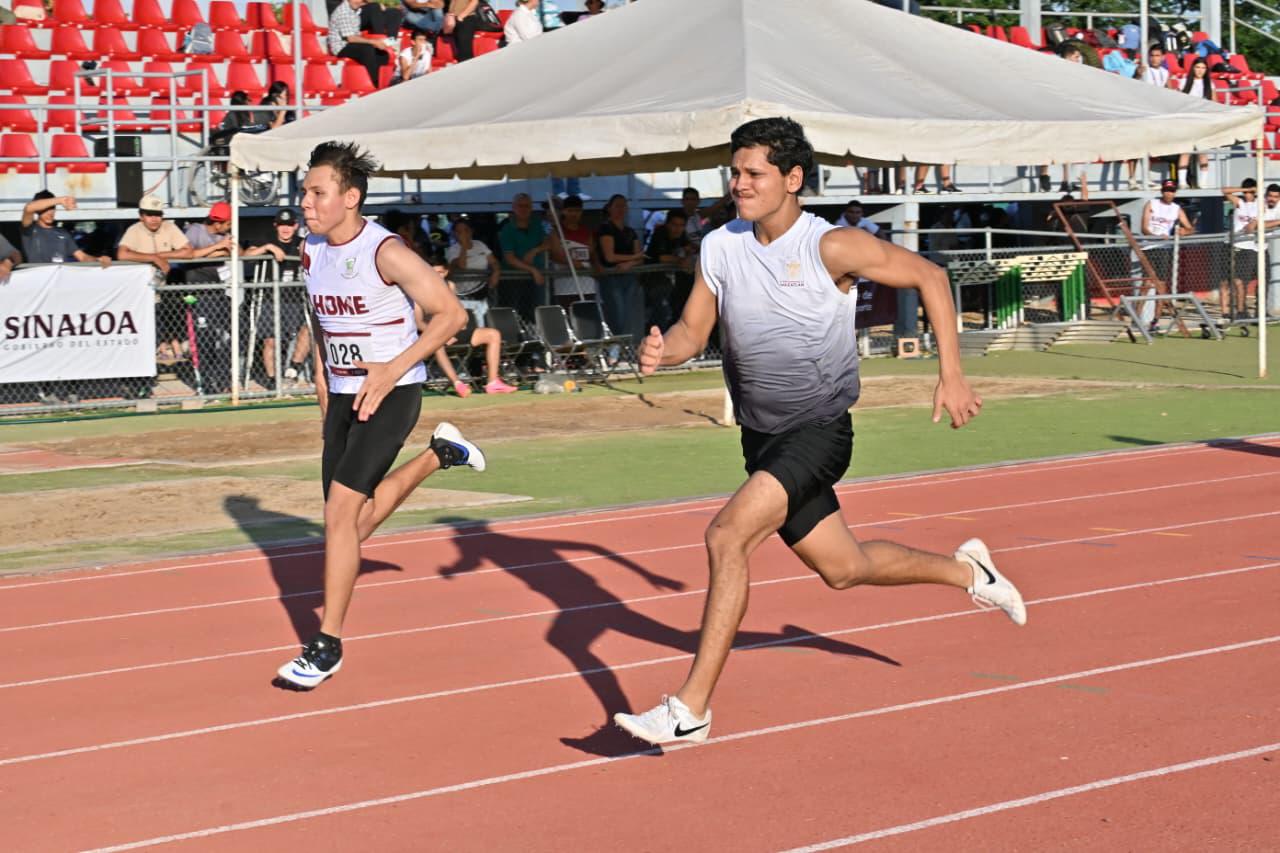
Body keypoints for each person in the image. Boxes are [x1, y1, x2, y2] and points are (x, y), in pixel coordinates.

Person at [613, 117, 1025, 746]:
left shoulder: (831, 247)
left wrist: (951, 375)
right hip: (761, 437)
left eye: (754, 174)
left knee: (727, 537)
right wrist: (660, 352)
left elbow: (931, 277)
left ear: (792, 178)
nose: (739, 184)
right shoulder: (720, 246)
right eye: (735, 172)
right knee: (845, 568)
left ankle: (690, 710)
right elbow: (693, 332)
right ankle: (970, 573)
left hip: (819, 430)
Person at [274, 141, 486, 690]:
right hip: (344, 394)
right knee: (353, 523)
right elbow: (321, 320)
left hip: (393, 393)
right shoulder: (312, 250)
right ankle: (440, 455)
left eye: (317, 192)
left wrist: (392, 369)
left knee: (340, 517)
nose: (306, 202)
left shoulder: (384, 252)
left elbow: (451, 315)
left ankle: (326, 644)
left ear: (351, 197)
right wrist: (322, 380)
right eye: (304, 191)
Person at [422, 255, 517, 396]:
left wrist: (461, 322)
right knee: (438, 345)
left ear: (446, 272)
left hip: (453, 331)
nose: (437, 276)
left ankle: (492, 382)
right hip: (433, 334)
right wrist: (443, 335)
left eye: (440, 273)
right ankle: (457, 384)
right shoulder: (419, 289)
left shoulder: (450, 286)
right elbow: (418, 320)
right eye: (433, 273)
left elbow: (457, 310)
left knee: (493, 334)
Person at [117, 194, 194, 363]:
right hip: (142, 294)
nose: (154, 219)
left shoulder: (169, 228)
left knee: (167, 325)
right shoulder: (134, 230)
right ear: (141, 216)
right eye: (149, 214)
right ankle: (144, 371)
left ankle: (170, 352)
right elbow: (122, 253)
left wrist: (158, 256)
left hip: (166, 293)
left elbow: (188, 251)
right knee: (144, 334)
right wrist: (153, 258)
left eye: (158, 214)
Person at [244, 209, 309, 388]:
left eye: (289, 225)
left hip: (294, 300)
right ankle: (273, 380)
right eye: (282, 225)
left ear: (296, 225)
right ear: (276, 226)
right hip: (269, 300)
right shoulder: (266, 239)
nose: (286, 229)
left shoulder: (302, 243)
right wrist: (267, 248)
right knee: (270, 341)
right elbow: (246, 255)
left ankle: (293, 369)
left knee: (308, 330)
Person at [596, 193, 645, 346]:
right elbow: (610, 257)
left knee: (630, 314)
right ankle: (615, 349)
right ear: (609, 208)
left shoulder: (630, 231)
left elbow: (640, 258)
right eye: (617, 205)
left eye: (624, 205)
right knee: (616, 313)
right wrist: (633, 258)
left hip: (629, 277)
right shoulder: (605, 228)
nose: (621, 209)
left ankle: (627, 347)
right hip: (611, 277)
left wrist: (630, 263)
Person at [20, 191, 111, 266]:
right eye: (45, 209)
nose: (50, 213)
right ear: (38, 210)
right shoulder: (30, 230)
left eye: (52, 208)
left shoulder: (62, 233)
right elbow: (28, 208)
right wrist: (61, 200)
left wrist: (99, 260)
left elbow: (82, 257)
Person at [497, 192, 548, 322]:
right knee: (511, 315)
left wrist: (535, 250)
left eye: (527, 206)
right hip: (512, 279)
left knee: (536, 314)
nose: (524, 209)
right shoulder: (507, 229)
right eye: (520, 206)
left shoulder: (537, 225)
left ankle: (535, 339)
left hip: (534, 280)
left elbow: (549, 242)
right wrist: (532, 270)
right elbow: (510, 258)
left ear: (531, 208)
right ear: (513, 207)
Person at [328, 0, 398, 90]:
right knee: (367, 49)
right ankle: (375, 82)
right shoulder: (343, 12)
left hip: (353, 43)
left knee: (382, 53)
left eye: (363, 1)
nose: (361, 3)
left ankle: (384, 81)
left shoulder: (356, 9)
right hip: (341, 47)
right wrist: (374, 42)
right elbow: (351, 38)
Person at [445, 214, 500, 326]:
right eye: (459, 231)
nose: (463, 234)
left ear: (471, 231)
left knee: (482, 321)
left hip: (481, 291)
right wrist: (464, 246)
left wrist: (496, 272)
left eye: (466, 230)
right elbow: (462, 265)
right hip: (463, 294)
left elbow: (494, 262)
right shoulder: (453, 250)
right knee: (467, 324)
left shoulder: (480, 245)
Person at [548, 193, 598, 308]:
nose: (574, 214)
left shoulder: (586, 232)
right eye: (570, 210)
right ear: (564, 211)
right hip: (564, 285)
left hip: (587, 284)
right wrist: (577, 264)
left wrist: (596, 264)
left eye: (577, 210)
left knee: (587, 315)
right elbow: (556, 255)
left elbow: (592, 253)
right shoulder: (556, 231)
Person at [1221, 179, 1261, 319]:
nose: (1249, 194)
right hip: (1233, 245)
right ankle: (1225, 313)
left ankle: (1241, 311)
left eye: (1251, 191)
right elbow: (1224, 190)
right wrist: (1244, 189)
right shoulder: (1240, 202)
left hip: (1249, 247)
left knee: (1240, 281)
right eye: (1247, 191)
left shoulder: (1259, 204)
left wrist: (1255, 190)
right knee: (1225, 281)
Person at [1177, 57, 1214, 188]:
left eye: (1203, 68)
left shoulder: (1209, 85)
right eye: (1198, 67)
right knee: (1185, 151)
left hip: (1202, 122)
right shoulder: (1184, 82)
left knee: (1202, 152)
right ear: (1193, 68)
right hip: (1188, 121)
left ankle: (1203, 182)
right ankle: (1182, 181)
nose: (1200, 70)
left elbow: (1213, 103)